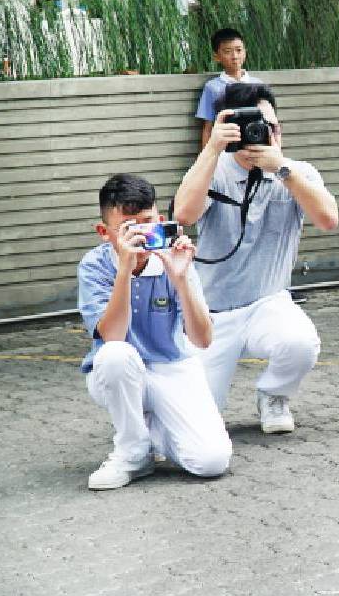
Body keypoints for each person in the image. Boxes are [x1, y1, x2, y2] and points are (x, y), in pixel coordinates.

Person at [173, 82, 339, 433]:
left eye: (271, 127)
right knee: (198, 420)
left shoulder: (296, 172)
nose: (262, 135)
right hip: (211, 314)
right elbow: (184, 215)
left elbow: (328, 220)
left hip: (269, 301)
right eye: (252, 126)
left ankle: (273, 394)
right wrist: (212, 149)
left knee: (300, 343)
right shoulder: (212, 171)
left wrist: (281, 169)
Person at [78, 174, 231, 490]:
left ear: (161, 222)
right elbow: (114, 337)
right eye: (128, 228)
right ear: (104, 233)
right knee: (116, 355)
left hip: (172, 364)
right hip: (117, 371)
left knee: (211, 461)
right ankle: (133, 453)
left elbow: (203, 339)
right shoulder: (94, 266)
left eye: (147, 223)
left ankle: (157, 432)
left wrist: (181, 279)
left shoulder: (174, 258)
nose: (140, 235)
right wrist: (124, 270)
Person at [195, 28, 261, 148]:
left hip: (254, 147)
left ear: (245, 52)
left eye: (239, 50)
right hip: (225, 150)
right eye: (227, 51)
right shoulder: (212, 87)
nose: (235, 56)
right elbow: (208, 128)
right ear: (217, 57)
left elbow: (271, 124)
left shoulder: (258, 85)